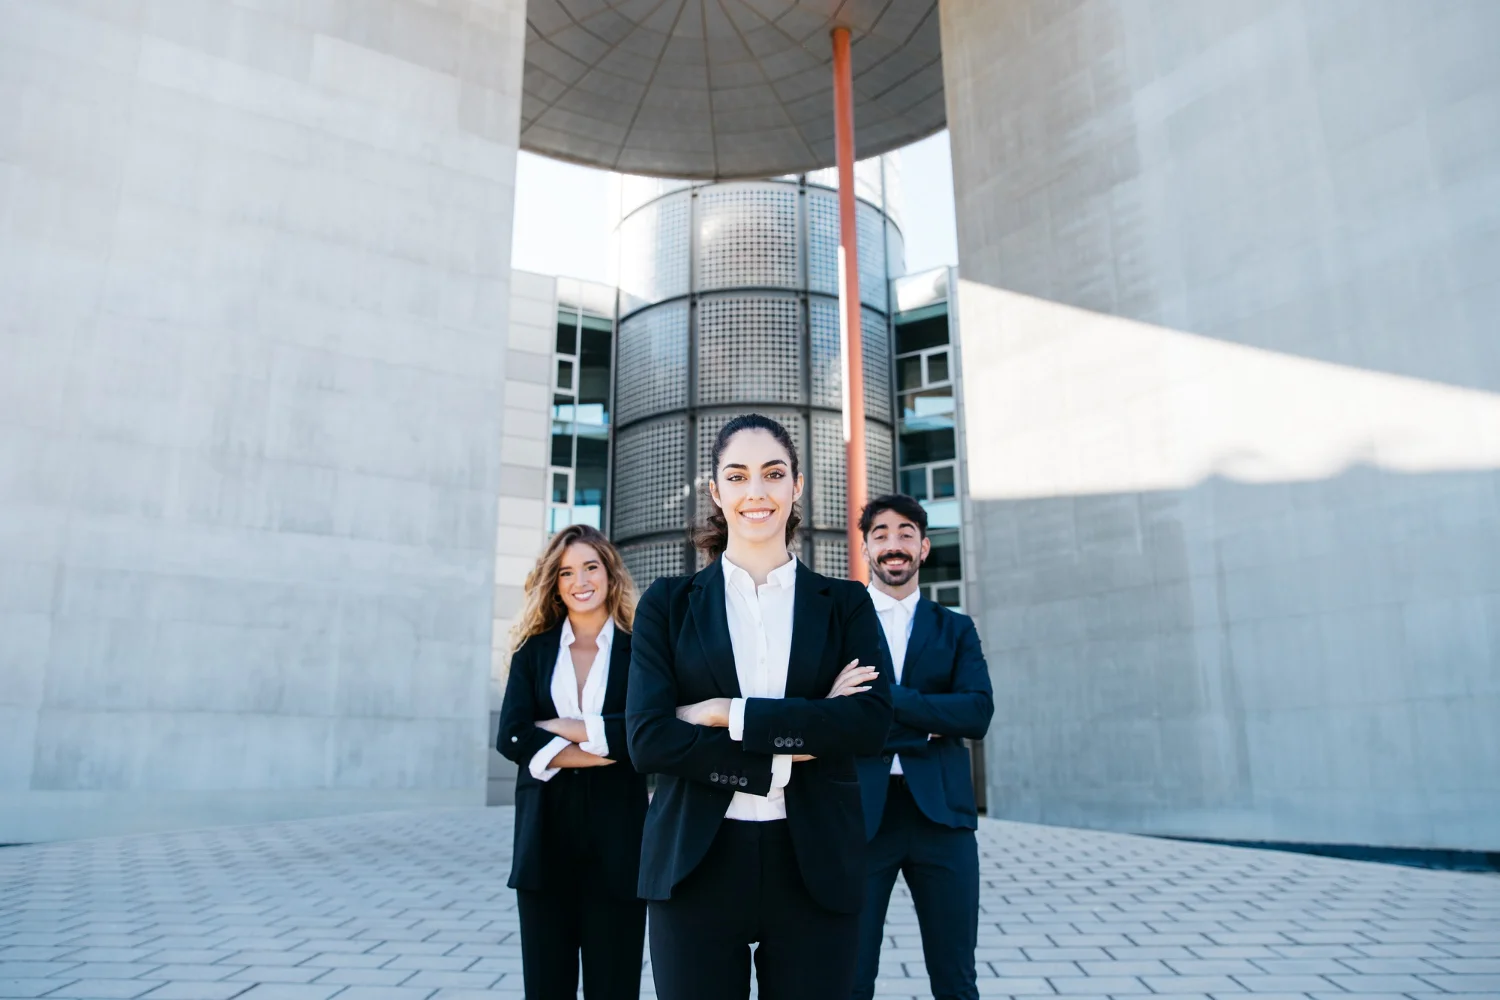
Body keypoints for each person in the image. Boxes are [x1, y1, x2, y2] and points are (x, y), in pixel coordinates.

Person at [626, 413, 893, 1000]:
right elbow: (648, 739)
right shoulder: (668, 605)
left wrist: (728, 712)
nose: (756, 492)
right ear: (716, 492)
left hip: (814, 862)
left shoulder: (845, 604)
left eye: (773, 474)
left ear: (796, 486)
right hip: (695, 860)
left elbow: (870, 723)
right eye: (738, 476)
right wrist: (798, 737)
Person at [850, 494, 994, 1000]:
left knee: (956, 978)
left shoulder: (956, 628)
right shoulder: (839, 625)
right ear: (866, 547)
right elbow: (834, 719)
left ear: (924, 548)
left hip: (943, 819)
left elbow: (976, 713)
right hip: (859, 818)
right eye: (882, 534)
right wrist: (931, 718)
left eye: (906, 533)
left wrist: (887, 702)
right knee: (849, 977)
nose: (895, 544)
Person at [496, 524, 647, 1000]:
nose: (580, 580)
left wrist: (558, 725)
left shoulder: (640, 649)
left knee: (614, 986)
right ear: (554, 583)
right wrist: (601, 746)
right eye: (565, 572)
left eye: (590, 567)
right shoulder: (533, 651)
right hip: (544, 840)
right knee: (546, 987)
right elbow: (512, 735)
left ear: (609, 574)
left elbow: (644, 732)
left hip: (620, 841)